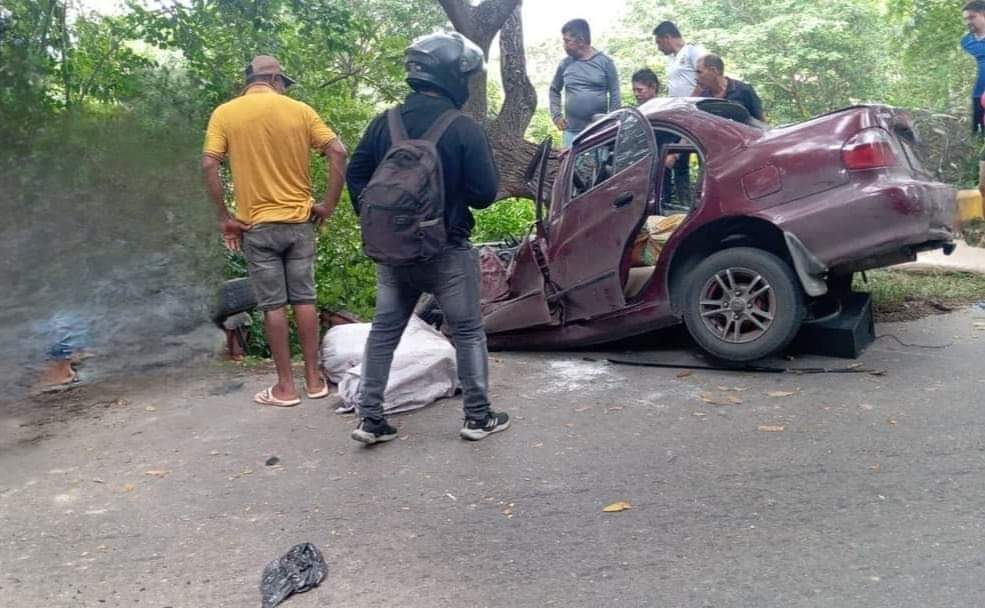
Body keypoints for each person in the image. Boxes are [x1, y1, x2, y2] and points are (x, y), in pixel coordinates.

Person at [345, 32, 509, 444]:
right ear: (452, 75)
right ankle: (477, 417)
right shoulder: (462, 127)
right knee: (468, 331)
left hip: (393, 254)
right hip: (447, 251)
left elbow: (356, 174)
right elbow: (486, 194)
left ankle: (370, 419)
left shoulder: (386, 122)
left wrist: (383, 223)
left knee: (384, 332)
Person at [201, 55, 348, 407]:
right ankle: (313, 381)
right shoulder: (299, 110)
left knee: (273, 306)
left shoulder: (226, 113)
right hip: (300, 224)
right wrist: (327, 204)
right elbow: (338, 151)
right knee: (305, 299)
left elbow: (209, 163)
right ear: (277, 80)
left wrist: (225, 217)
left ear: (248, 81)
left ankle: (285, 388)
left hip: (257, 225)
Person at [549, 19, 621, 147]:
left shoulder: (605, 63)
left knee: (597, 166)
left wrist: (611, 122)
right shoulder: (565, 64)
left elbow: (615, 93)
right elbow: (554, 90)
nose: (564, 45)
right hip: (571, 131)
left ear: (581, 41)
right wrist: (556, 115)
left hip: (598, 131)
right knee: (569, 165)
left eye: (567, 41)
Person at [695, 54, 765, 121]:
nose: (696, 78)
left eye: (699, 72)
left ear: (714, 71)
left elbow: (761, 122)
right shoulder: (703, 97)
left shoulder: (744, 91)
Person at [652, 21, 706, 98]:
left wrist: (690, 101)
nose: (659, 48)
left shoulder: (692, 51)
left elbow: (705, 79)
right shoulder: (671, 59)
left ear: (667, 38)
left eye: (659, 43)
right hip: (677, 106)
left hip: (693, 105)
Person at [963, 1, 985, 134]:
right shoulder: (965, 42)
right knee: (978, 135)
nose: (968, 22)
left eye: (972, 17)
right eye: (965, 19)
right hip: (978, 95)